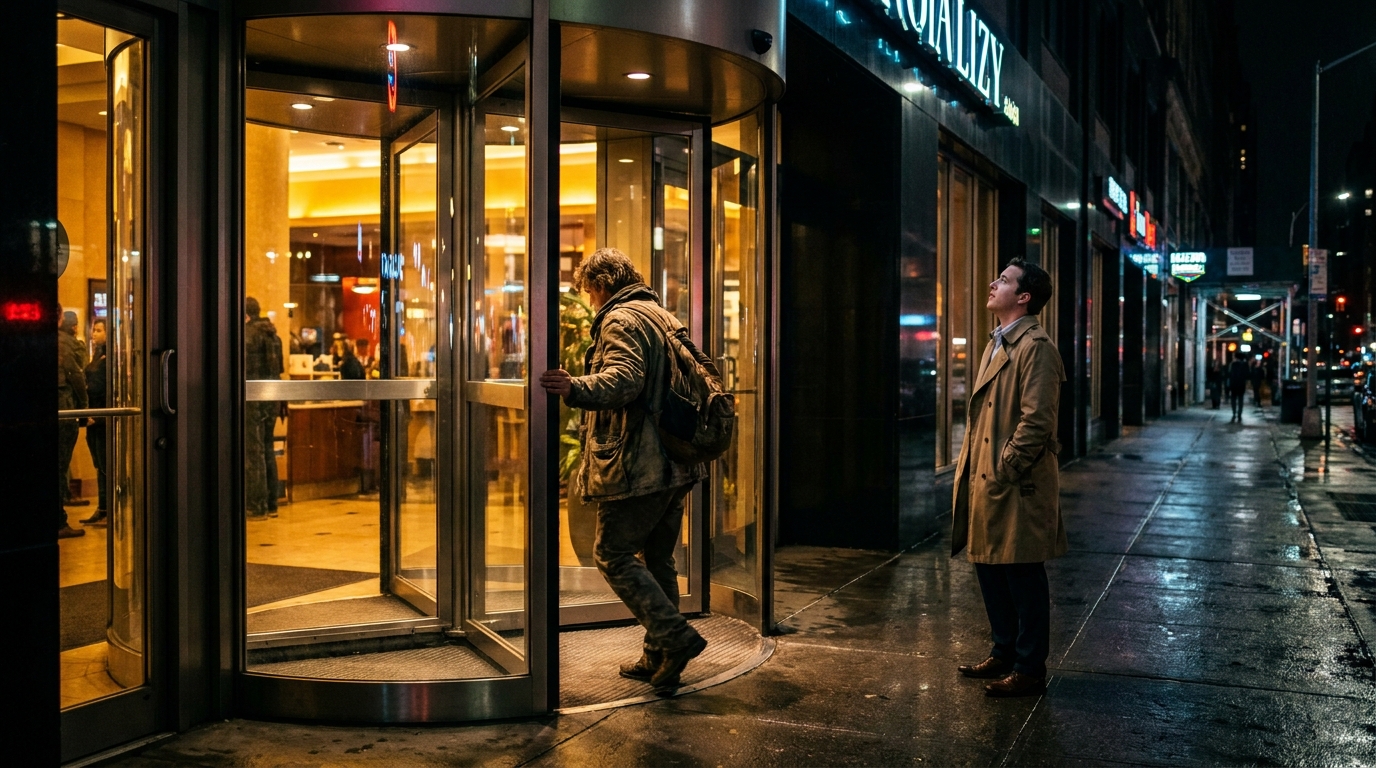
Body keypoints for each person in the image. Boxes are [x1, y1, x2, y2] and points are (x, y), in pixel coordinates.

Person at [539, 247, 714, 689]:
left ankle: (674, 638)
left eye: (590, 292)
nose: (591, 301)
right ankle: (661, 660)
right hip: (677, 461)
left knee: (613, 554)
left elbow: (625, 378)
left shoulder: (621, 319)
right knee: (658, 560)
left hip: (641, 464)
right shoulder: (660, 314)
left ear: (599, 286)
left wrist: (574, 386)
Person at [951, 257, 1066, 698]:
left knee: (1021, 573)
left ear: (1024, 297)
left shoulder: (1035, 347)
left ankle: (1029, 668)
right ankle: (1003, 651)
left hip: (1015, 482)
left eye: (1004, 279)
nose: (993, 283)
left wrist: (1006, 466)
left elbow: (1038, 420)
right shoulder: (998, 342)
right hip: (989, 478)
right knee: (989, 566)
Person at [244, 297, 284, 518]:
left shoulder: (248, 335)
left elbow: (245, 372)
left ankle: (256, 506)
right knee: (268, 449)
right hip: (273, 400)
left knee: (253, 452)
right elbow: (279, 369)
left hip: (253, 400)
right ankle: (272, 503)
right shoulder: (274, 336)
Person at [57, 305, 88, 538]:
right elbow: (76, 374)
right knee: (59, 465)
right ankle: (58, 521)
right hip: (62, 407)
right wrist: (85, 407)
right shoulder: (66, 343)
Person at [80, 319, 109, 526]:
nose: (94, 334)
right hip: (94, 415)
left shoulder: (112, 357)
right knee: (99, 464)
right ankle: (103, 507)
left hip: (102, 417)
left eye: (99, 330)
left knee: (106, 464)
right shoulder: (98, 354)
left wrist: (97, 416)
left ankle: (107, 508)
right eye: (94, 330)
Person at [1227, 351, 1250, 423]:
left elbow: (1229, 374)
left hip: (1233, 384)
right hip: (1241, 384)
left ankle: (1234, 413)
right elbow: (1248, 375)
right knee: (1240, 399)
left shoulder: (1233, 364)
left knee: (1233, 399)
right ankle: (1239, 414)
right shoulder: (1245, 365)